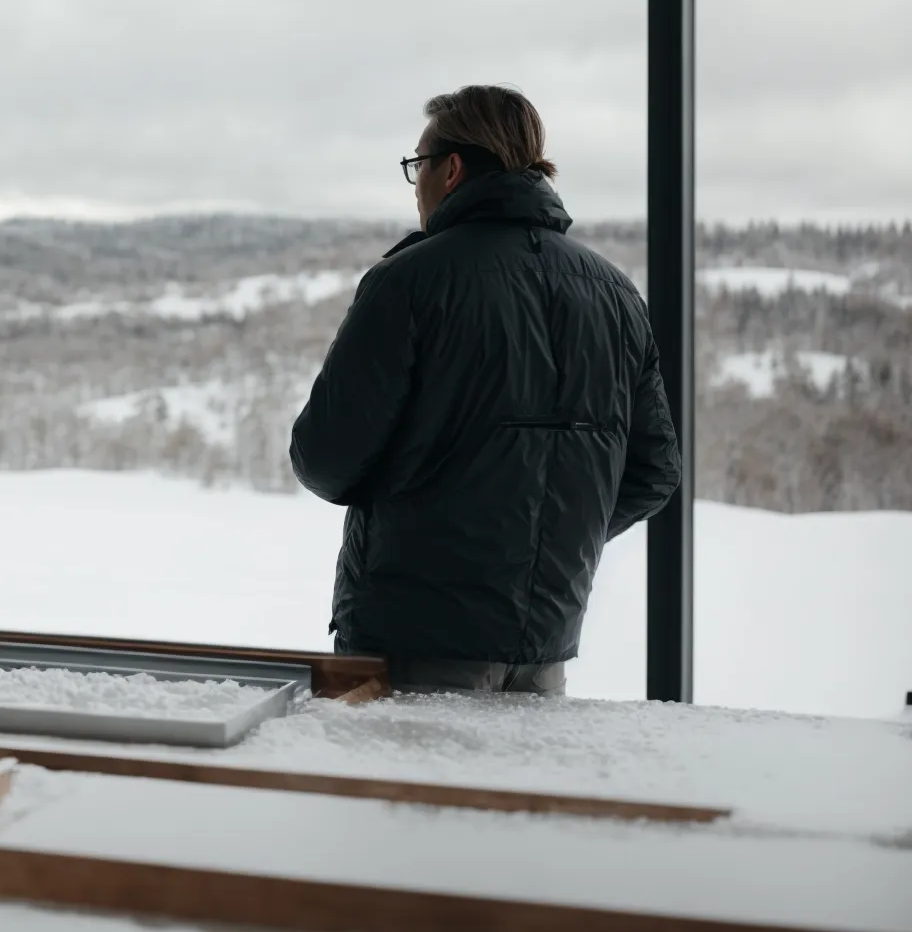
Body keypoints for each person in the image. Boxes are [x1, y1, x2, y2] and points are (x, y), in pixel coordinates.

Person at [289, 85, 680, 696]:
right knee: (517, 794)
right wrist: (544, 535)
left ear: (451, 169)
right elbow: (654, 472)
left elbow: (325, 456)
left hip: (413, 639)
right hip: (543, 646)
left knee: (400, 794)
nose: (414, 182)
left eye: (417, 165)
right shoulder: (615, 294)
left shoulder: (410, 281)